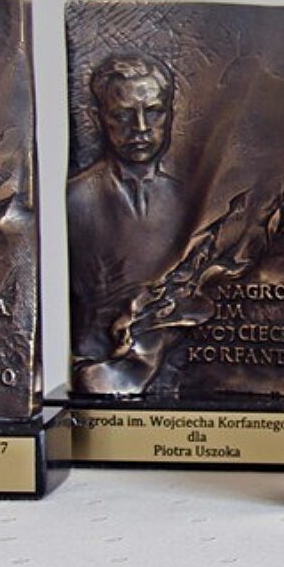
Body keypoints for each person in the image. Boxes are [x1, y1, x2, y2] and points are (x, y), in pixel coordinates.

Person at [67, 54, 186, 390]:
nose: (141, 128)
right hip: (104, 369)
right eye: (123, 115)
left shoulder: (191, 197)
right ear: (98, 118)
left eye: (154, 112)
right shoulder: (76, 200)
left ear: (170, 114)